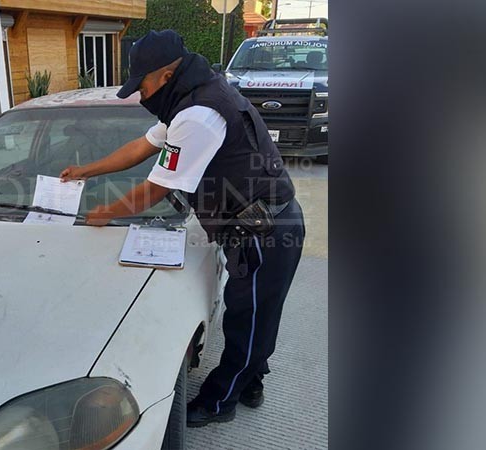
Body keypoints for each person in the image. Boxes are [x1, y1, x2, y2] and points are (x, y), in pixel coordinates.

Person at [60, 30, 305, 427]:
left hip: (265, 229)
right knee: (257, 313)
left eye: (141, 85)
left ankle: (219, 400)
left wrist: (103, 213)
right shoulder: (191, 97)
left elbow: (156, 189)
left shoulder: (198, 115)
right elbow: (141, 147)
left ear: (165, 75)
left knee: (248, 317)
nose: (140, 96)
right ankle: (251, 376)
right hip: (253, 223)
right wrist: (86, 170)